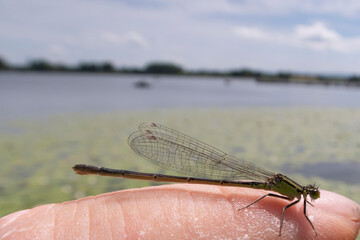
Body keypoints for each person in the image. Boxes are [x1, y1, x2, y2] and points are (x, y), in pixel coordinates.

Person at [0, 184, 359, 239]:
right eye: (309, 192)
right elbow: (287, 211)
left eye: (309, 193)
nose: (310, 196)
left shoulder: (296, 196)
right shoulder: (289, 194)